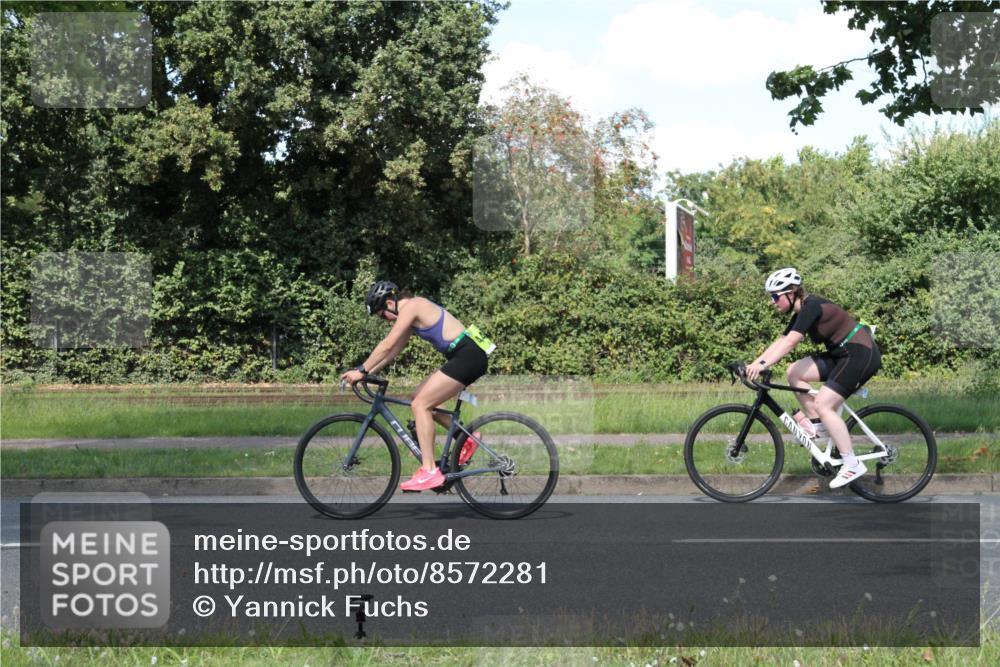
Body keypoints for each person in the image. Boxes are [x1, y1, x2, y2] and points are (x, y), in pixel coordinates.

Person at [339, 280, 492, 491]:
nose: (383, 320)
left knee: (421, 405)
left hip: (468, 356)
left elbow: (387, 344)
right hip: (464, 355)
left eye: (382, 314)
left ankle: (429, 471)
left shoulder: (412, 306)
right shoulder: (409, 318)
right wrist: (366, 373)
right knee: (417, 397)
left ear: (391, 303)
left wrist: (362, 370)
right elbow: (392, 353)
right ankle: (467, 439)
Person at [746, 268, 881, 489]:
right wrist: (755, 364)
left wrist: (761, 365)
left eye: (774, 296)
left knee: (824, 403)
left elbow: (790, 344)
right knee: (794, 372)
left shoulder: (812, 307)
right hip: (841, 354)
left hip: (859, 354)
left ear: (790, 293)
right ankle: (819, 426)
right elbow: (782, 340)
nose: (772, 302)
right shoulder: (801, 311)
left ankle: (851, 462)